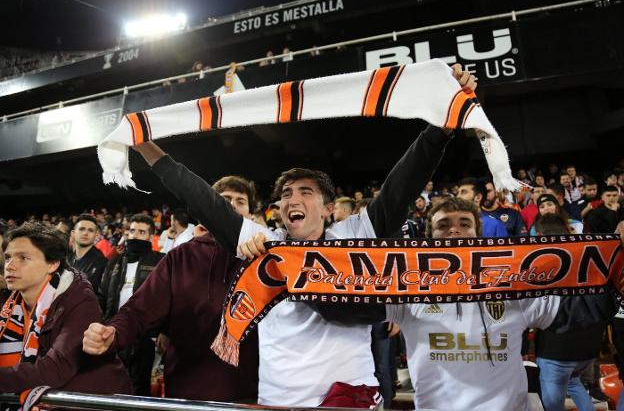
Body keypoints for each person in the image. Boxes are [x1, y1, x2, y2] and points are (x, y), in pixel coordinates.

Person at [127, 64, 476, 407]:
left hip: (349, 396)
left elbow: (403, 184)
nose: (293, 199)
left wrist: (441, 127)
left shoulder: (354, 232)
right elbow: (203, 200)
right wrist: (147, 149)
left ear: (327, 209)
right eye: (287, 194)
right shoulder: (264, 243)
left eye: (305, 192)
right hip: (279, 399)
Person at [286, 198, 622, 411]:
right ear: (430, 239)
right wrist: (293, 271)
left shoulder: (511, 285)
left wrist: (618, 272)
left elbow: (579, 311)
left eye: (464, 224)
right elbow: (341, 308)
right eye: (443, 225)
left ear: (480, 234)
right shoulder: (411, 289)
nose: (454, 232)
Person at [82, 177, 260, 402]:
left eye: (240, 201)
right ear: (206, 209)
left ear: (251, 215)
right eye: (224, 199)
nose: (231, 205)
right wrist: (113, 333)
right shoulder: (180, 257)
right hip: (186, 393)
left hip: (247, 396)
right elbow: (139, 309)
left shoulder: (266, 261)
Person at [0, 223, 130, 394]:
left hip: (91, 401)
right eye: (8, 257)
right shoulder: (11, 303)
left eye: (23, 258)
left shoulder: (80, 300)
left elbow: (55, 370)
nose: (10, 266)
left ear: (52, 264)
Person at [533, 213, 608, 411]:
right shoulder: (591, 254)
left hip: (556, 350)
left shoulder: (540, 262)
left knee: (552, 404)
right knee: (574, 383)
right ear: (567, 229)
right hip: (588, 349)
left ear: (539, 234)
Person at [98, 214, 164, 395]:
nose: (135, 235)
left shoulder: (161, 261)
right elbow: (102, 297)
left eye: (141, 232)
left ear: (151, 237)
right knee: (112, 385)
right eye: (132, 231)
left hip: (145, 335)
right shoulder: (115, 262)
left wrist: (162, 331)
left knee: (139, 387)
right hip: (114, 332)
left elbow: (168, 299)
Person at [68, 213, 108, 291]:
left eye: (90, 230)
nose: (85, 233)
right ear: (73, 233)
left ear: (96, 235)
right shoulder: (67, 259)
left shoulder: (102, 262)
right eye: (81, 229)